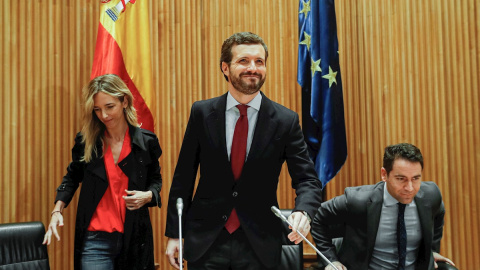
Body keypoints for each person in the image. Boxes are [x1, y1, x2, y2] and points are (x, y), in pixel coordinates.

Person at [164, 32, 323, 270]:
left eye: (259, 61)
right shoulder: (202, 113)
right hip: (207, 241)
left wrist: (304, 211)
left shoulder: (285, 120)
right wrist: (175, 233)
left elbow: (307, 179)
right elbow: (183, 178)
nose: (253, 68)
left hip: (259, 243)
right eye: (244, 61)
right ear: (225, 68)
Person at [42, 74, 163, 270]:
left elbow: (156, 181)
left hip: (134, 237)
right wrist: (57, 210)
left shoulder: (146, 142)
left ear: (124, 101)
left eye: (109, 107)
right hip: (95, 240)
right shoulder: (86, 142)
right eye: (97, 109)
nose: (104, 115)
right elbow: (72, 177)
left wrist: (148, 195)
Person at [311, 143, 455, 270]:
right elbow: (317, 216)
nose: (410, 188)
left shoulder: (431, 195)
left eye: (416, 178)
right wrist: (330, 259)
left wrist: (431, 251)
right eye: (401, 179)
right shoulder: (358, 200)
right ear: (384, 174)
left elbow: (438, 214)